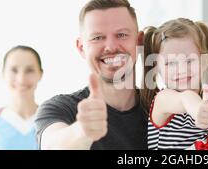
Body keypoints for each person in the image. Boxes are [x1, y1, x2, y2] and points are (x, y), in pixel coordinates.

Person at [35, 0, 147, 150]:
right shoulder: (60, 108)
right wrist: (82, 131)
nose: (111, 47)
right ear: (81, 48)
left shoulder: (162, 108)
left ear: (139, 42)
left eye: (121, 34)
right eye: (97, 37)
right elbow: (51, 145)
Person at [142, 18, 208, 150]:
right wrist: (197, 110)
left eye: (190, 60)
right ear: (156, 67)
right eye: (170, 63)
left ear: (204, 61)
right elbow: (185, 98)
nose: (182, 69)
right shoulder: (162, 100)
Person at [0, 45, 43, 150]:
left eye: (29, 70)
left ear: (40, 74)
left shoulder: (53, 122)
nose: (21, 79)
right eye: (14, 70)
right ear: (3, 73)